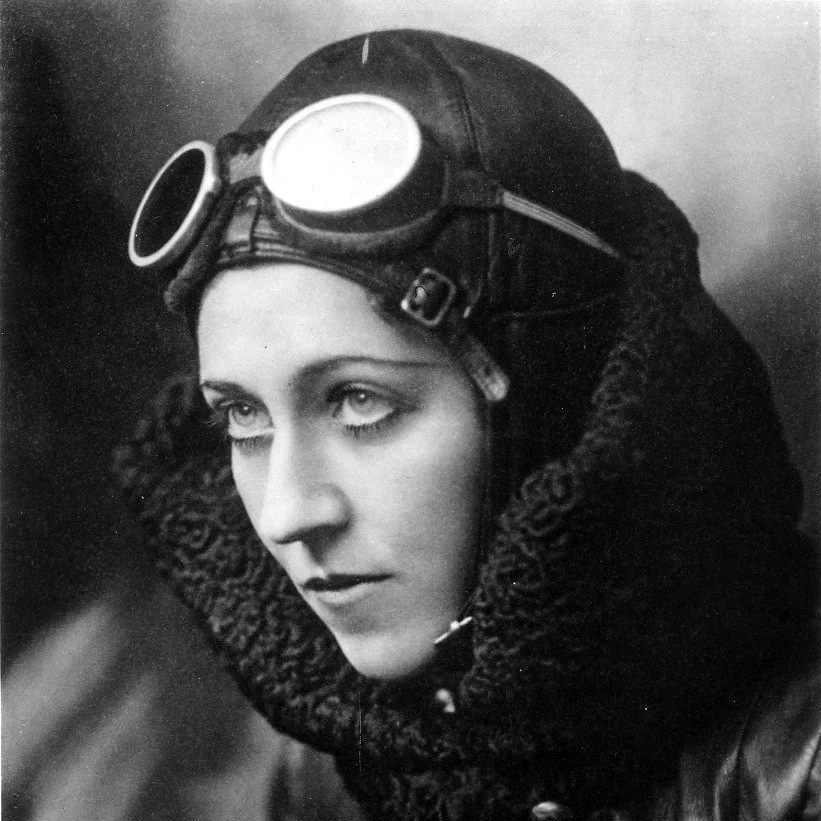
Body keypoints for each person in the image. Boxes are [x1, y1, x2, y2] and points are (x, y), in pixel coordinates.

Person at [110, 29, 819, 821]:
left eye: (359, 400)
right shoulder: (333, 766)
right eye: (243, 415)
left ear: (563, 400)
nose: (287, 513)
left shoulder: (799, 766)